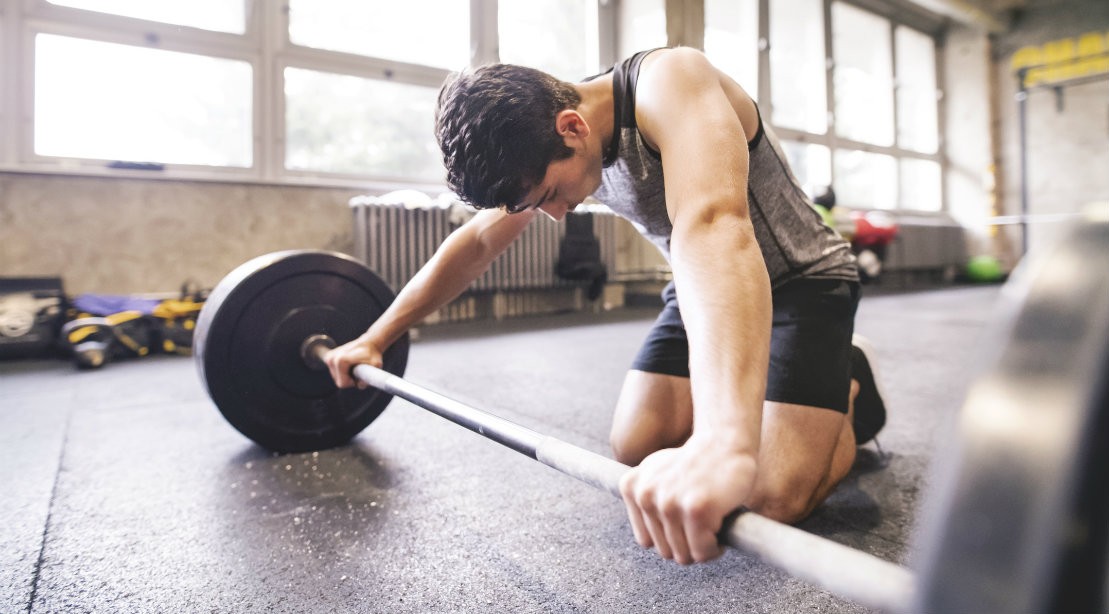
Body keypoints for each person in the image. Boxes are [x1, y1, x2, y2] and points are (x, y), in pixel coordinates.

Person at [325, 47, 886, 566]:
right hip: (704, 288)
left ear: (572, 126)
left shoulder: (672, 83)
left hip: (802, 279)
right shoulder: (545, 144)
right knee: (639, 446)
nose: (555, 215)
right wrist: (378, 335)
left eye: (546, 197)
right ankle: (784, 393)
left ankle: (848, 383)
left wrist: (723, 444)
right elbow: (475, 243)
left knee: (768, 496)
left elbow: (713, 226)